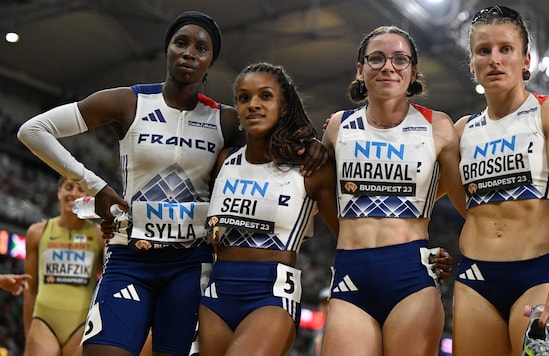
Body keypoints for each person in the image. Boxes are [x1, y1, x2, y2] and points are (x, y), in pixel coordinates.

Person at [17, 11, 326, 355]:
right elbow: (32, 130)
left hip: (191, 266)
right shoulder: (128, 102)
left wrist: (309, 143)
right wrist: (95, 185)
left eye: (201, 48)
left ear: (210, 61)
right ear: (167, 50)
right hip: (129, 258)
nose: (189, 53)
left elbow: (272, 133)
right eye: (181, 43)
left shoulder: (226, 119)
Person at [321, 25, 466, 356]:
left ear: (413, 70)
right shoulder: (337, 127)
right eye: (377, 59)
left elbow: (470, 207)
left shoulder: (438, 126)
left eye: (400, 59)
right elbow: (313, 198)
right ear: (360, 69)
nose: (388, 67)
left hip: (411, 277)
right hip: (350, 273)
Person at [452, 5, 549, 356]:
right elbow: (420, 196)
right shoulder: (461, 131)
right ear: (472, 65)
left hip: (537, 276)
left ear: (525, 60)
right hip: (474, 279)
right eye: (484, 51)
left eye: (505, 49)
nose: (495, 59)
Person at [197, 62, 338, 356]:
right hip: (217, 291)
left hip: (271, 296)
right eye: (244, 98)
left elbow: (349, 234)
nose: (254, 105)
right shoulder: (225, 161)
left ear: (284, 107)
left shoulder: (310, 168)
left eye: (265, 96)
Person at [22, 176, 104, 356]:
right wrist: (29, 331)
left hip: (81, 325)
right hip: (44, 322)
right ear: (59, 192)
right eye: (68, 187)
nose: (74, 193)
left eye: (81, 190)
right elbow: (30, 289)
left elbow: (106, 279)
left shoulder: (100, 236)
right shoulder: (36, 233)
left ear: (88, 197)